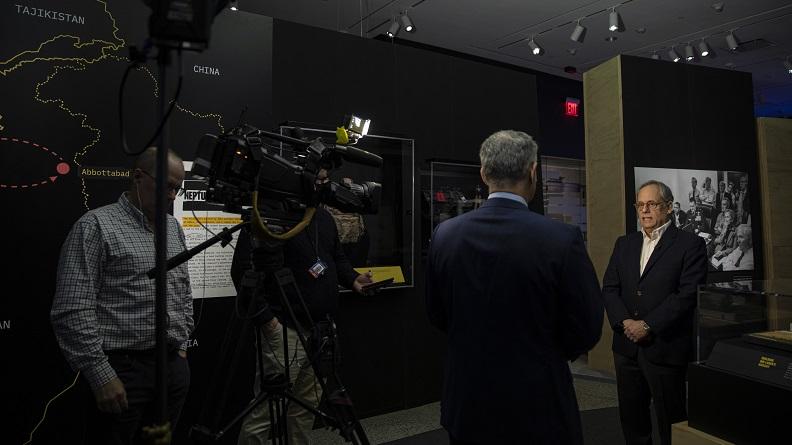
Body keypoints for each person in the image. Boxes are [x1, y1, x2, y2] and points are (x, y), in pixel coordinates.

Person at [425, 130, 603, 445]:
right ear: (532, 171)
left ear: (483, 173)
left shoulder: (445, 234)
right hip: (539, 403)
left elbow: (437, 314)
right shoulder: (561, 238)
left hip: (468, 401)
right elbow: (587, 327)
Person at [51, 147, 193, 445]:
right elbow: (72, 308)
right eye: (166, 185)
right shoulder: (96, 226)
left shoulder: (172, 228)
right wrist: (100, 374)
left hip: (170, 370)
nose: (171, 195)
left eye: (177, 189)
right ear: (138, 177)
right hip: (123, 372)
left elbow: (182, 289)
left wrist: (180, 348)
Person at [232, 191, 373, 445]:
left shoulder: (324, 218)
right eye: (315, 180)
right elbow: (243, 270)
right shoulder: (272, 216)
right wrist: (268, 322)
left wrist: (353, 278)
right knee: (264, 412)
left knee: (305, 411)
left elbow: (336, 257)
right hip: (284, 331)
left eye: (323, 181)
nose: (320, 185)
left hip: (320, 332)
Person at [602, 180, 707, 445]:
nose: (644, 210)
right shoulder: (624, 243)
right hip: (626, 347)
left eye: (652, 204)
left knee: (670, 420)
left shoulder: (690, 244)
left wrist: (647, 325)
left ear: (669, 207)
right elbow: (610, 288)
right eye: (640, 204)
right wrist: (625, 322)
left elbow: (687, 295)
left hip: (664, 346)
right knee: (632, 417)